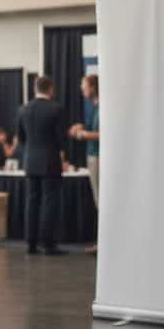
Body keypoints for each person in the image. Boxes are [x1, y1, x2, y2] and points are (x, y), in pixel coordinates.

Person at [16, 75, 67, 256]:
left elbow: (21, 139)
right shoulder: (56, 109)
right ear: (50, 89)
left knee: (31, 202)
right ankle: (48, 244)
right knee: (49, 203)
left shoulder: (23, 109)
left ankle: (30, 243)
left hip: (30, 161)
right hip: (50, 160)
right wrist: (64, 157)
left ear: (34, 89)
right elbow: (61, 139)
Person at [69, 74, 100, 255]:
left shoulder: (103, 106)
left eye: (84, 86)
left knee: (101, 202)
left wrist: (82, 134)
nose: (82, 89)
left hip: (98, 157)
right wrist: (81, 127)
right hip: (93, 157)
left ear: (93, 88)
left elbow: (103, 133)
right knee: (98, 202)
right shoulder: (94, 106)